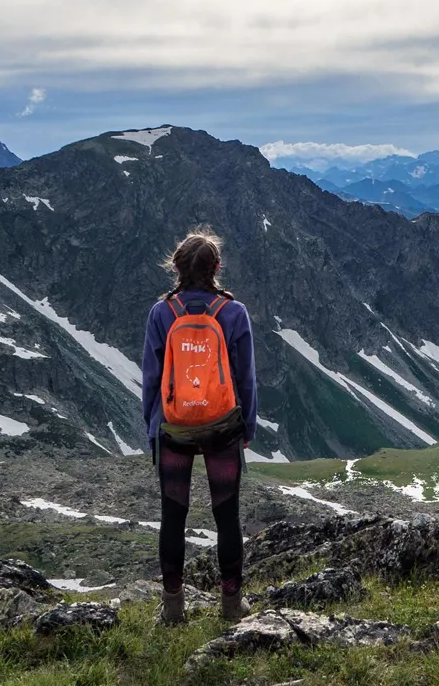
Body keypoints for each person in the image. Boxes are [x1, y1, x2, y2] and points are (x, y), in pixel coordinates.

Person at [141, 227, 258, 625]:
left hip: (173, 429)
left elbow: (152, 378)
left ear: (175, 268)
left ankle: (173, 609)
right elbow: (246, 379)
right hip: (223, 427)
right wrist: (247, 428)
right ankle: (230, 605)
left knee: (173, 516)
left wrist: (153, 428)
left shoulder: (162, 313)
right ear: (217, 268)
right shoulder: (233, 312)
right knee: (227, 516)